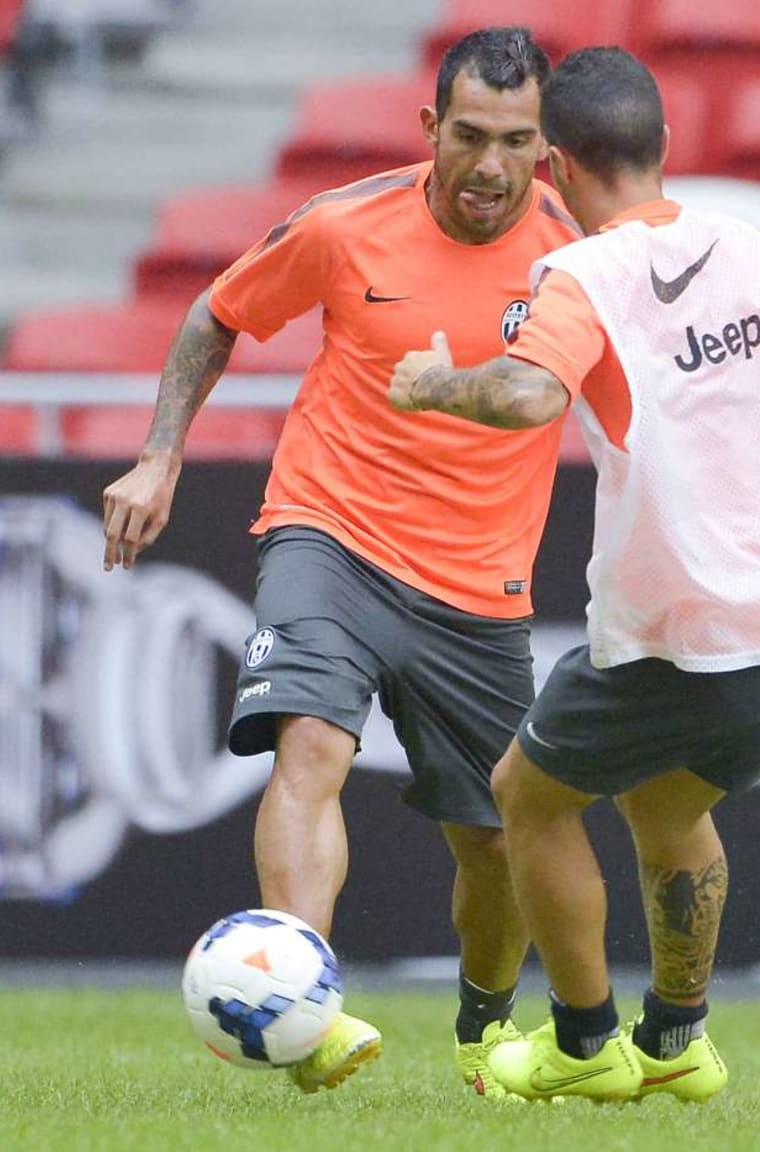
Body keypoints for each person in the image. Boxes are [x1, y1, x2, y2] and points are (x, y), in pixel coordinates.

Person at [102, 27, 580, 1096]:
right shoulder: (343, 224)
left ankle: (484, 1027)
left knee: (494, 842)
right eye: (468, 136)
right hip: (331, 532)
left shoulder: (574, 249)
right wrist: (158, 456)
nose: (490, 166)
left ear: (547, 149)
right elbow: (215, 315)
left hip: (479, 584)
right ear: (430, 130)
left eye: (515, 142)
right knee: (309, 744)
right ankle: (303, 1015)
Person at [389, 44, 760, 1103]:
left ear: (551, 166)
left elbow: (522, 398)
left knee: (528, 797)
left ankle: (587, 1045)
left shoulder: (582, 275)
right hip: (754, 629)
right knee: (664, 806)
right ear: (666, 146)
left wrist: (433, 384)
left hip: (672, 626)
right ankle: (680, 1037)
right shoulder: (744, 243)